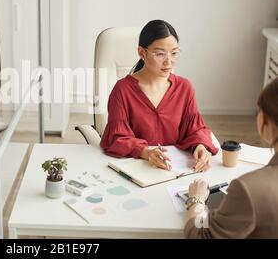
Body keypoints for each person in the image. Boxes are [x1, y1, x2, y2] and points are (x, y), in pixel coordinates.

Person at [100, 20, 218, 171]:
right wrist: (146, 152)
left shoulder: (185, 88)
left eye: (174, 53)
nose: (169, 61)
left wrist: (200, 146)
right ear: (142, 53)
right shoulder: (122, 90)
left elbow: (195, 130)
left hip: (176, 170)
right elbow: (117, 138)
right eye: (160, 54)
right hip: (138, 169)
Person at [184, 77, 278, 238]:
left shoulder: (249, 189)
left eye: (259, 110)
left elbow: (200, 233)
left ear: (267, 121)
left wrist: (196, 200)